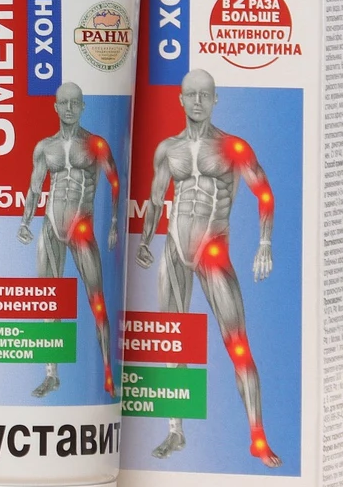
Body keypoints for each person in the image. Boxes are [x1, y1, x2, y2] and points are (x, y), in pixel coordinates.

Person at [136, 67, 280, 466]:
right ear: (180, 100)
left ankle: (257, 437)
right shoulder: (168, 150)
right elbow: (155, 200)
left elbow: (264, 192)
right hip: (174, 248)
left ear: (215, 99)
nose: (197, 101)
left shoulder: (232, 147)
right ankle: (175, 431)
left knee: (237, 342)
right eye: (191, 95)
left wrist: (264, 244)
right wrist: (145, 241)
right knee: (172, 342)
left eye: (205, 95)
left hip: (212, 249)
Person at [18, 82, 119, 397]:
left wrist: (114, 223)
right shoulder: (44, 147)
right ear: (56, 107)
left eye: (75, 103)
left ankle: (108, 372)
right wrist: (25, 221)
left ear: (83, 106)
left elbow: (115, 182)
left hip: (81, 226)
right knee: (49, 300)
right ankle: (51, 374)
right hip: (51, 225)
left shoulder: (96, 144)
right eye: (64, 103)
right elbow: (35, 187)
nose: (70, 108)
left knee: (97, 298)